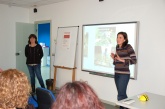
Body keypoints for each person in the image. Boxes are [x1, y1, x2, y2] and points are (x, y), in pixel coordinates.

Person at [111, 32, 137, 109]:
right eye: (117, 37)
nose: (118, 39)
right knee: (121, 94)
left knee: (120, 95)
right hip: (116, 73)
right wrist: (114, 58)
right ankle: (128, 107)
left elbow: (134, 60)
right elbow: (116, 62)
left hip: (124, 74)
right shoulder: (116, 47)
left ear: (124, 39)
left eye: (120, 37)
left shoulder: (128, 47)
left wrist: (121, 60)